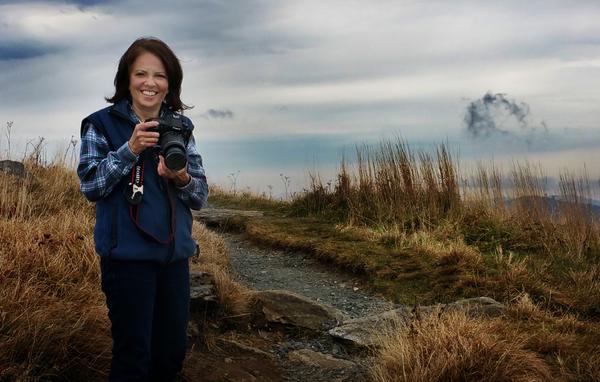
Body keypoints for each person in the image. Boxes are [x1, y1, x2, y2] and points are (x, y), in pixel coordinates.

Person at [77, 37, 208, 381]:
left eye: (160, 76)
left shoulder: (181, 128)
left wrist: (180, 178)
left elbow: (200, 196)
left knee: (170, 357)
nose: (150, 83)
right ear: (127, 79)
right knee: (133, 358)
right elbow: (90, 186)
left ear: (170, 83)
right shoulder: (101, 124)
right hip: (127, 262)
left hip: (173, 261)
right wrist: (129, 150)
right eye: (141, 74)